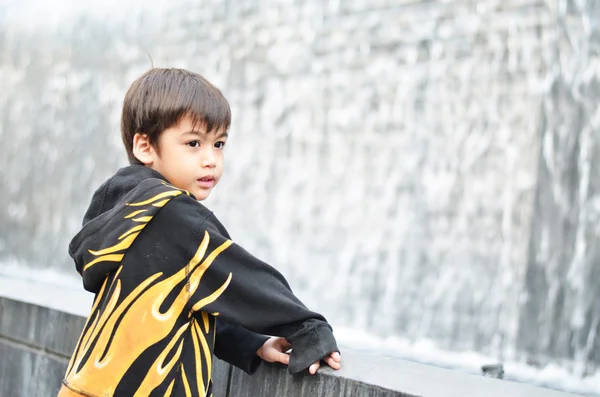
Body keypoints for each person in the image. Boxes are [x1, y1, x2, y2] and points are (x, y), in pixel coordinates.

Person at [58, 68, 341, 397]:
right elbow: (241, 278)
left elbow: (176, 304)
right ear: (145, 146)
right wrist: (308, 328)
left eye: (218, 144)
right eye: (194, 143)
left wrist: (252, 343)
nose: (211, 160)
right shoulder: (174, 215)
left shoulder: (125, 213)